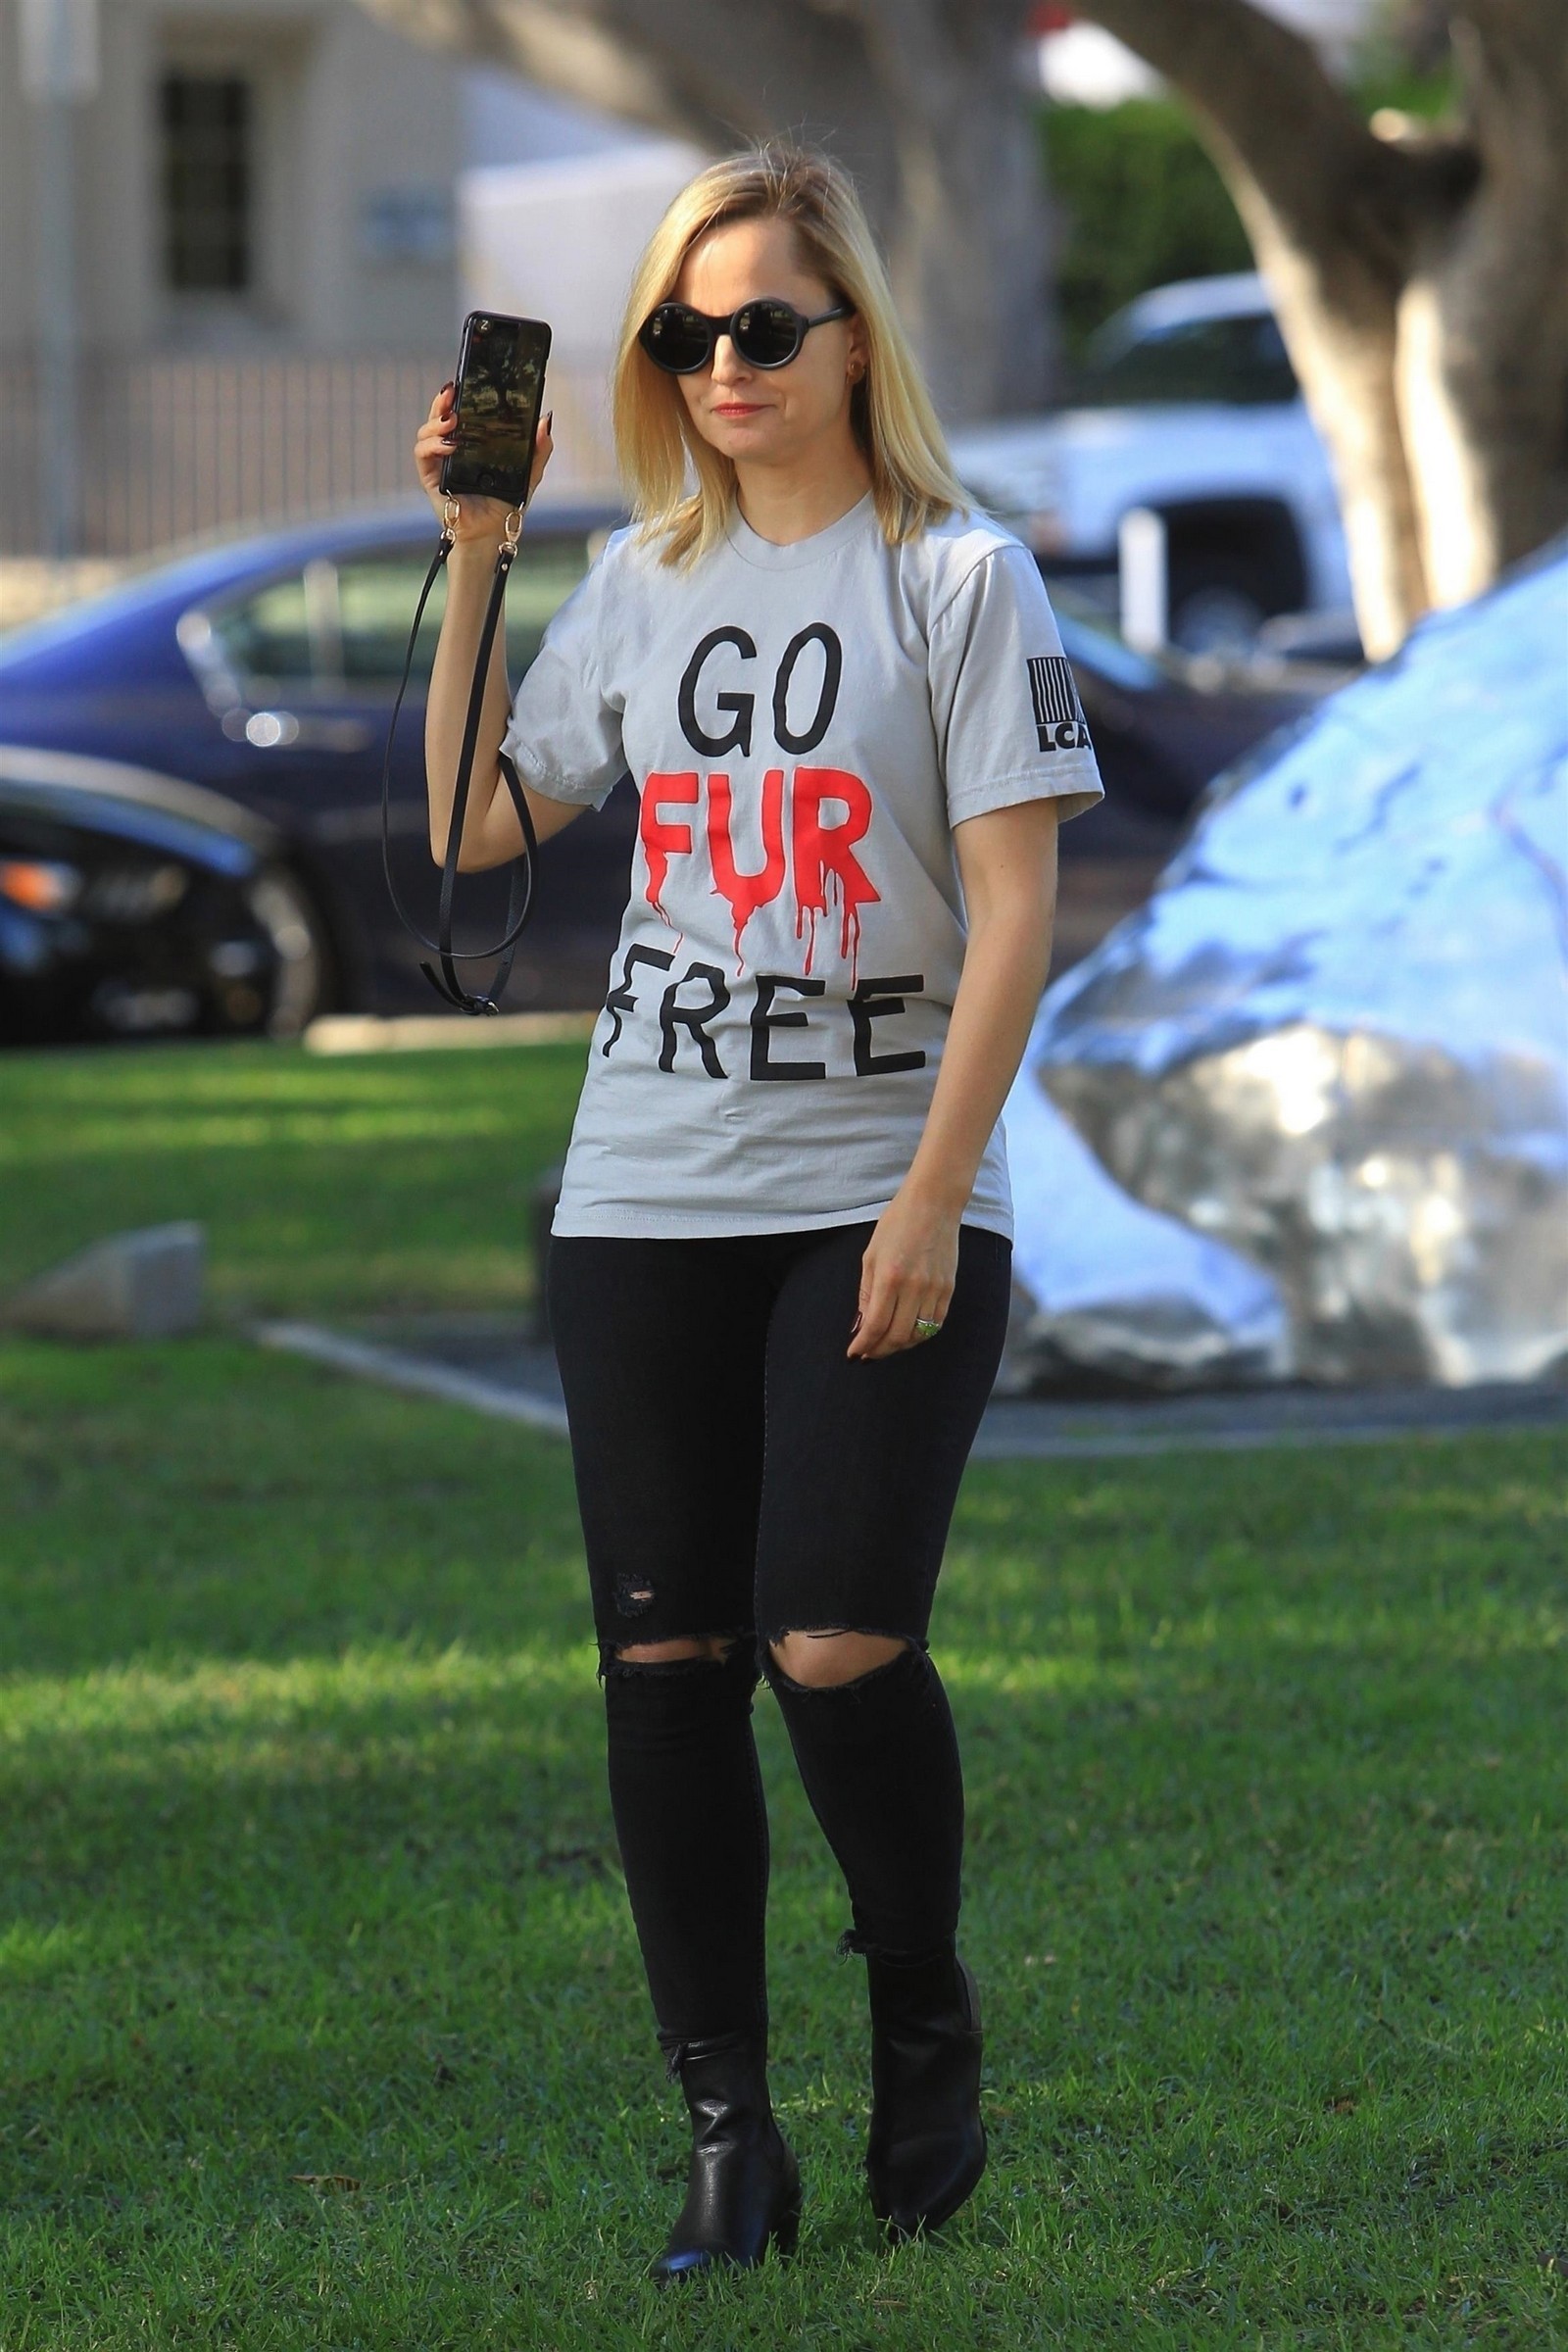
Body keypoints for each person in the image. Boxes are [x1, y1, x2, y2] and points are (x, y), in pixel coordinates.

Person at [414, 145, 1102, 2278]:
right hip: (645, 1187)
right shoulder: (641, 579)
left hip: (881, 1182)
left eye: (764, 325)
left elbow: (1013, 916)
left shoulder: (959, 580)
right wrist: (477, 551)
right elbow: (474, 827)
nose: (722, 362)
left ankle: (921, 2011)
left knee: (831, 1632)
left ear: (853, 338)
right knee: (664, 1657)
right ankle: (729, 2135)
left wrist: (931, 1200)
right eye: (683, 330)